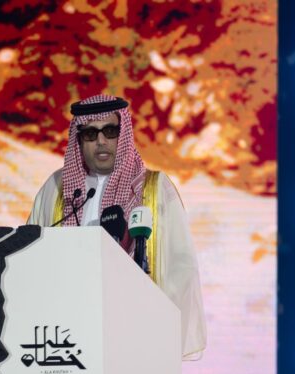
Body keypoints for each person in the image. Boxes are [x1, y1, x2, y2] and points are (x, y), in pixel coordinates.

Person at [27, 94, 206, 360]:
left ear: (122, 135)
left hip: (136, 334)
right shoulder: (55, 190)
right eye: (91, 134)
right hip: (68, 336)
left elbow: (182, 267)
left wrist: (163, 335)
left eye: (110, 131)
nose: (101, 141)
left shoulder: (154, 188)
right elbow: (30, 259)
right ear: (79, 140)